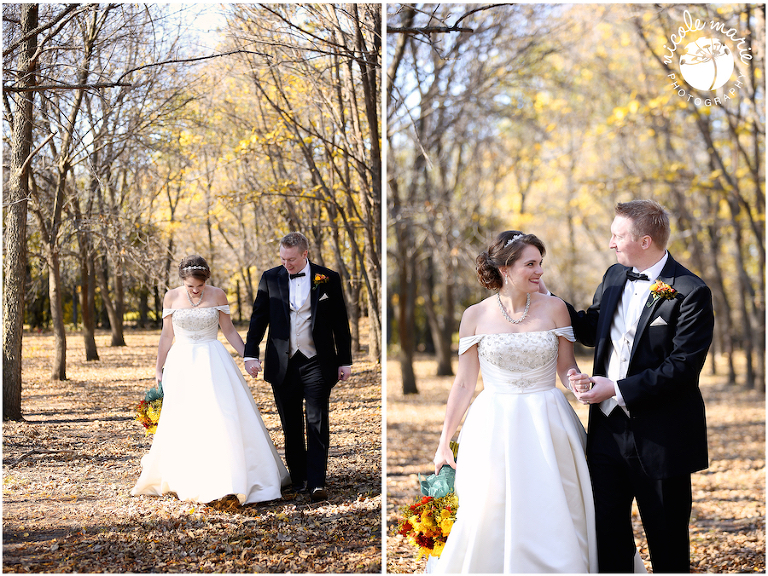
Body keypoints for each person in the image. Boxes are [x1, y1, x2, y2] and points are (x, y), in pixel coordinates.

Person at [543, 200, 714, 573]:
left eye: (618, 236)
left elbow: (683, 368)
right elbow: (589, 329)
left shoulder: (690, 291)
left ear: (645, 240)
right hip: (605, 434)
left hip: (661, 438)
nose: (610, 243)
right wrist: (547, 297)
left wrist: (616, 390)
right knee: (607, 536)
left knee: (667, 544)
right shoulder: (614, 277)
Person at [431, 230, 598, 573]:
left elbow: (568, 368)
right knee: (489, 507)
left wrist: (579, 383)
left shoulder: (556, 309)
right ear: (506, 269)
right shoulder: (474, 316)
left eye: (541, 263)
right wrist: (444, 440)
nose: (539, 272)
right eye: (531, 264)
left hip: (549, 422)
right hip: (493, 424)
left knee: (554, 503)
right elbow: (464, 383)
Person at [132, 255, 290, 505]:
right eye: (190, 286)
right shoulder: (171, 297)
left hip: (212, 359)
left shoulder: (218, 295)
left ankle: (228, 476)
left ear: (207, 280)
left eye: (200, 286)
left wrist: (248, 356)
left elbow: (228, 330)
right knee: (185, 418)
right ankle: (186, 476)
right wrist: (158, 368)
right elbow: (166, 336)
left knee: (221, 414)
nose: (195, 290)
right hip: (182, 363)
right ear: (182, 281)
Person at [243, 232, 352, 502]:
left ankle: (316, 483)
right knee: (290, 424)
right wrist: (250, 354)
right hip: (283, 363)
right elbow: (259, 318)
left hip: (318, 361)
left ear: (305, 254)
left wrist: (345, 360)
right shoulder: (271, 277)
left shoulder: (328, 278)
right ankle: (299, 478)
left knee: (316, 421)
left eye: (291, 259)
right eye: (282, 258)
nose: (286, 264)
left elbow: (340, 322)